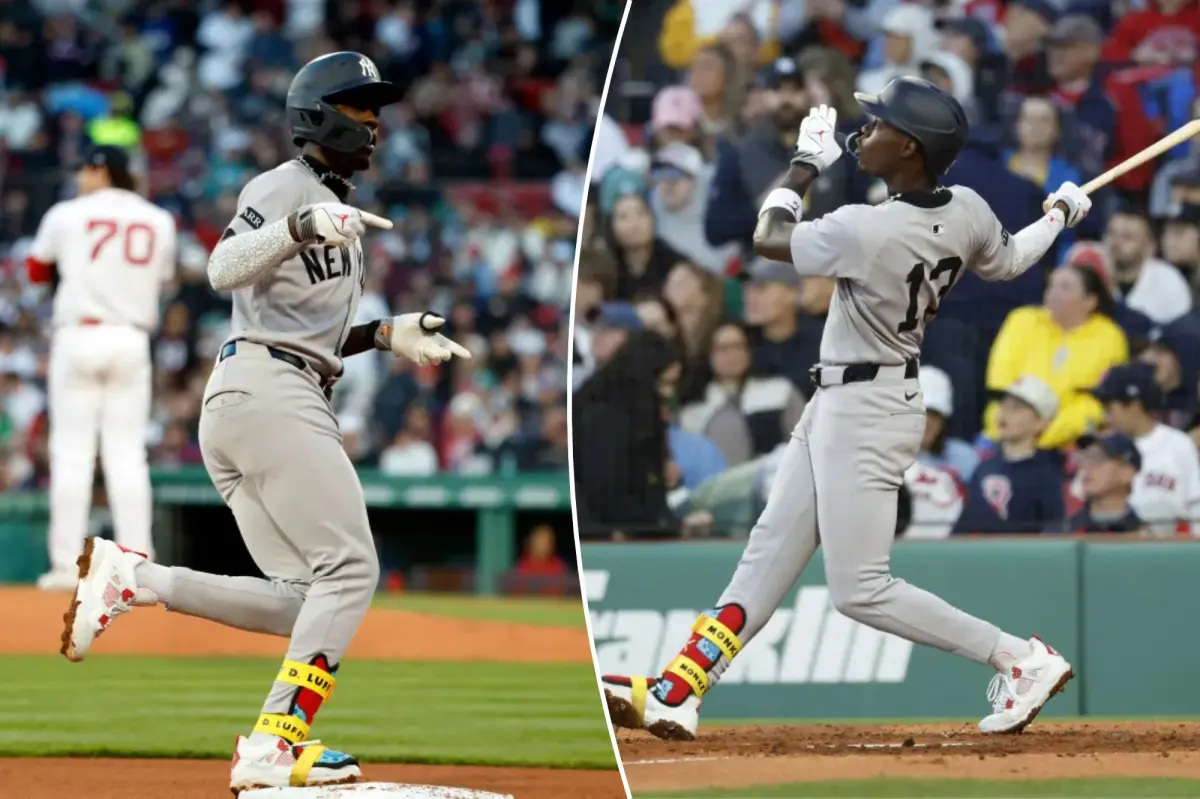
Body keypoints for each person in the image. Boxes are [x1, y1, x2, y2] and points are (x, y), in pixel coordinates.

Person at [601, 77, 1086, 741]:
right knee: (767, 552)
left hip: (867, 406)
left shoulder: (869, 228)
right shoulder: (967, 209)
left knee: (860, 588)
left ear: (910, 148)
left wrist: (805, 164)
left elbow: (769, 235)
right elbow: (1009, 261)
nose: (866, 131)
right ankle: (680, 688)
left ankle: (1020, 658)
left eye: (880, 124)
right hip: (849, 397)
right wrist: (1059, 216)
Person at [57, 52, 471, 793]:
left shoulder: (332, 204)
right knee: (351, 569)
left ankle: (135, 578)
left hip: (261, 392)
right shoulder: (286, 185)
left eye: (376, 109)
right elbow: (223, 267)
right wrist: (302, 223)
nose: (373, 121)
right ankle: (276, 743)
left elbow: (301, 329)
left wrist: (383, 334)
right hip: (270, 393)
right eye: (360, 106)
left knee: (304, 595)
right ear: (319, 114)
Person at [25, 145, 178, 592]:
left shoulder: (67, 213)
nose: (79, 176)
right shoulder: (159, 219)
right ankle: (138, 565)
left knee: (71, 455)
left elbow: (35, 270)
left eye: (85, 169)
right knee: (127, 456)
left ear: (101, 170)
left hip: (79, 334)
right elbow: (163, 278)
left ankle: (65, 567)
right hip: (131, 337)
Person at [983, 262, 1128, 449]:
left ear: (1090, 301)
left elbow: (1096, 402)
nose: (1052, 293)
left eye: (1064, 287)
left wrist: (1044, 439)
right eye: (1051, 285)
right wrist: (1009, 429)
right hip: (1007, 434)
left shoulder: (1109, 337)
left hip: (1070, 442)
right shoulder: (1022, 320)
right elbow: (999, 383)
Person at [1087, 363, 1200, 535]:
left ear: (1135, 406)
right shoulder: (1103, 449)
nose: (1105, 417)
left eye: (1109, 409)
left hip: (1169, 544)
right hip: (1113, 540)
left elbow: (1196, 506)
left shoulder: (1177, 445)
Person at [953, 376, 1065, 535]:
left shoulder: (1048, 475)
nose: (1005, 413)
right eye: (1004, 405)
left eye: (1016, 407)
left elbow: (1053, 532)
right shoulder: (984, 468)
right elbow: (962, 528)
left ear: (1041, 423)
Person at [1067, 433, 1147, 534]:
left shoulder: (1145, 538)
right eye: (1082, 458)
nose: (1086, 467)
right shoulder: (1060, 534)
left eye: (1097, 459)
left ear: (1127, 473)